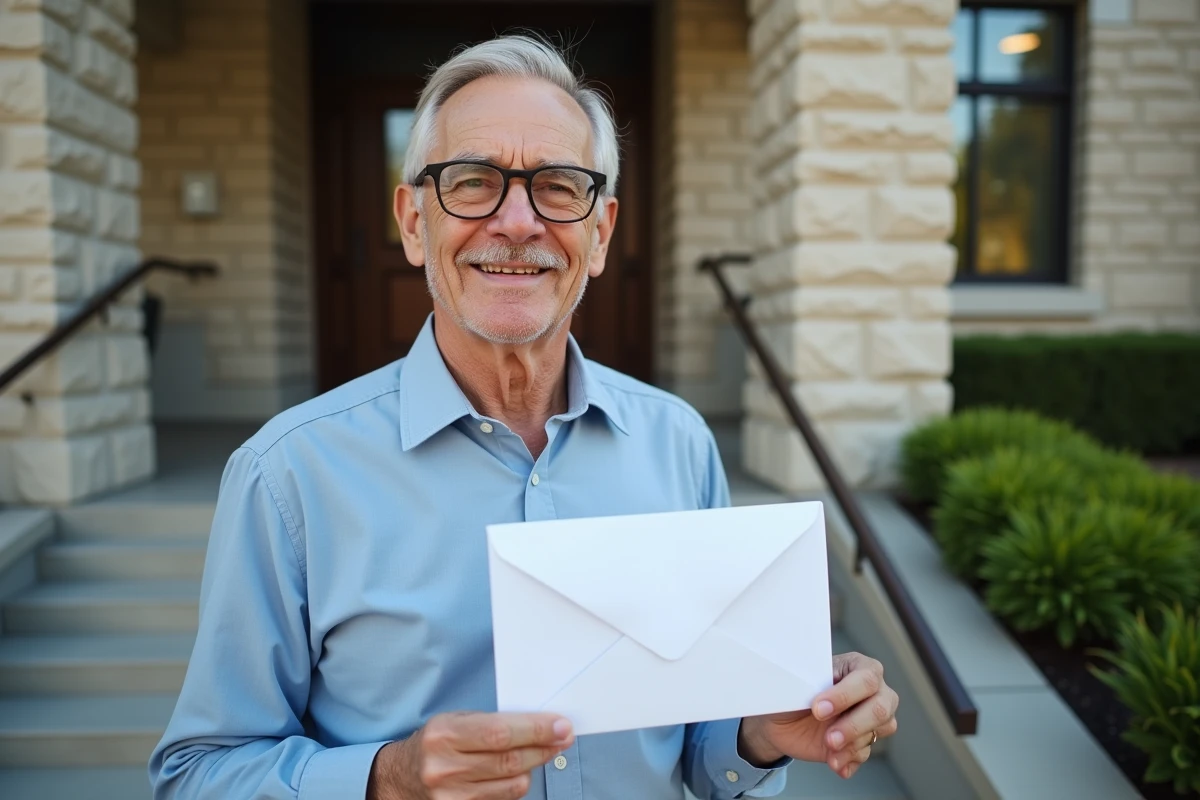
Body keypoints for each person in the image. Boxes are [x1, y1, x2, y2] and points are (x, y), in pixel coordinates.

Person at [149, 35, 899, 800]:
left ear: (600, 232)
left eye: (559, 186)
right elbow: (197, 774)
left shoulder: (678, 444)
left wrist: (760, 736)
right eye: (473, 182)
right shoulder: (288, 476)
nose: (516, 222)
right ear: (413, 222)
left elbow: (698, 748)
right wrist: (385, 781)